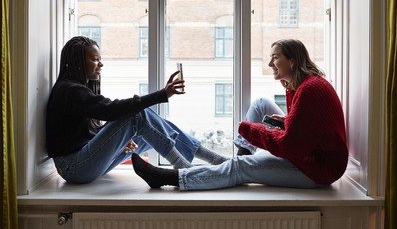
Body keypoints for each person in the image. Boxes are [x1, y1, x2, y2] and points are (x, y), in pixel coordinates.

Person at [132, 38, 348, 190]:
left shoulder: (309, 89)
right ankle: (236, 161)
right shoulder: (300, 86)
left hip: (317, 170)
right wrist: (284, 122)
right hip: (311, 155)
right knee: (261, 104)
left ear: (292, 60)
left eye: (275, 57)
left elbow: (289, 145)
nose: (270, 63)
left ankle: (167, 177)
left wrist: (249, 130)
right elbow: (304, 130)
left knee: (240, 167)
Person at [46, 36, 226, 184]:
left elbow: (77, 134)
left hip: (80, 165)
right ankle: (184, 166)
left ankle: (214, 161)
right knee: (137, 116)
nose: (101, 64)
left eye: (100, 59)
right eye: (94, 59)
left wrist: (120, 140)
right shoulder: (69, 90)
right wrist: (161, 94)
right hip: (74, 168)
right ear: (77, 61)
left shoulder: (74, 89)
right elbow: (110, 110)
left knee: (149, 132)